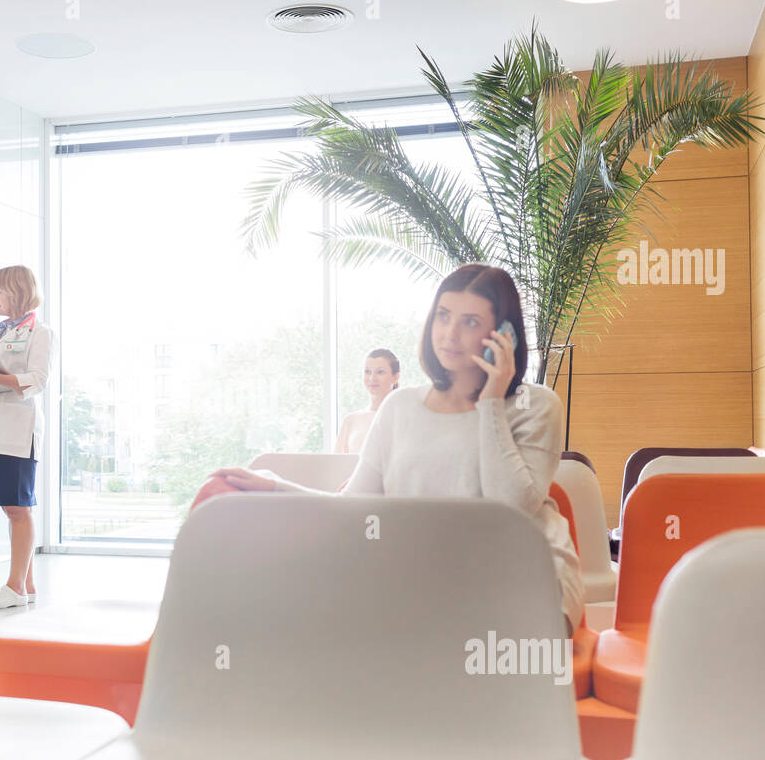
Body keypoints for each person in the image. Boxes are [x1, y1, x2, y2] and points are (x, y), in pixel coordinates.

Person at [213, 263, 584, 636]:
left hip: (524, 575)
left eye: (470, 322)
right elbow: (357, 507)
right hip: (431, 577)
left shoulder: (534, 406)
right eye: (443, 316)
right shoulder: (400, 406)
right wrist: (277, 486)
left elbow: (512, 511)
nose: (450, 334)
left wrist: (490, 403)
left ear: (504, 335)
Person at [0, 265, 54, 609]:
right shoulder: (2, 333)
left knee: (18, 508)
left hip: (18, 432)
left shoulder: (40, 333)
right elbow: (3, 378)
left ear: (17, 292)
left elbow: (37, 380)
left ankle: (14, 586)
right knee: (11, 507)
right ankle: (26, 583)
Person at [335, 348, 401, 454]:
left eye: (380, 372)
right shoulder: (351, 421)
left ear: (395, 377)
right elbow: (337, 466)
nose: (372, 378)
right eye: (367, 372)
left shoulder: (404, 418)